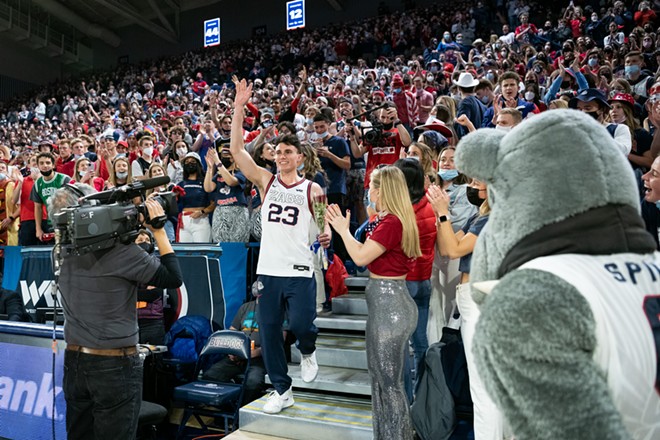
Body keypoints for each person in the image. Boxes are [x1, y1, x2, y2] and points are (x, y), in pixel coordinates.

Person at [229, 78, 331, 414]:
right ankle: (282, 390)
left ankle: (309, 349)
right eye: (278, 151)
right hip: (268, 271)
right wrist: (240, 107)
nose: (282, 155)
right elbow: (237, 152)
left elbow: (321, 222)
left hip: (299, 268)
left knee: (302, 325)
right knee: (269, 333)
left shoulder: (312, 189)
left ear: (300, 157)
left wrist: (326, 233)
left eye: (288, 151)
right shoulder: (265, 180)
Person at [51, 183, 183, 440]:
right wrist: (158, 231)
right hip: (114, 364)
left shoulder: (63, 251)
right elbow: (173, 277)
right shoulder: (125, 255)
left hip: (74, 362)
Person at [326, 165, 421, 440]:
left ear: (382, 190)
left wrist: (343, 231)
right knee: (381, 381)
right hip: (385, 304)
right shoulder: (388, 219)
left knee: (389, 384)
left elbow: (359, 258)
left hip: (390, 306)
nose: (369, 191)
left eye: (372, 186)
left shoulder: (393, 223)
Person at [427, 178, 505, 440]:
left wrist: (442, 212)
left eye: (476, 180)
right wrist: (440, 216)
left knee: (483, 388)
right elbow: (445, 246)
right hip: (478, 300)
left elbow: (453, 248)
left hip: (481, 300)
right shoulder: (481, 216)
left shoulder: (492, 218)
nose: (471, 185)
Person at [393, 158, 437, 393]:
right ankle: (421, 397)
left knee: (399, 347)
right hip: (423, 282)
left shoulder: (403, 214)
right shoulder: (430, 205)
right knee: (420, 344)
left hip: (405, 283)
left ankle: (405, 401)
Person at [203, 299, 266, 404]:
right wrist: (233, 350)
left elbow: (279, 342)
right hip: (238, 356)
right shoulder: (245, 307)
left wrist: (256, 352)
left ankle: (241, 413)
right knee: (211, 375)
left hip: (260, 359)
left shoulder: (278, 308)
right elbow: (232, 332)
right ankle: (231, 409)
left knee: (253, 383)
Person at [204, 147, 249, 243]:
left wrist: (218, 163)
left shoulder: (241, 172)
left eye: (228, 155)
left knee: (238, 244)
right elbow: (208, 188)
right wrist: (210, 168)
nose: (225, 157)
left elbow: (231, 182)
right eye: (223, 155)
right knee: (221, 245)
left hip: (237, 211)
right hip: (220, 211)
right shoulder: (218, 174)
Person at [30, 152, 71, 243]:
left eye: (48, 163)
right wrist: (38, 229)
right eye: (41, 163)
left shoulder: (64, 179)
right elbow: (38, 208)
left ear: (53, 165)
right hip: (51, 223)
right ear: (38, 166)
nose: (45, 165)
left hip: (68, 221)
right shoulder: (37, 184)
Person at [177, 152, 213, 242]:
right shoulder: (180, 184)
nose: (190, 164)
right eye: (187, 162)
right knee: (185, 252)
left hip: (201, 220)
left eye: (193, 161)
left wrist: (202, 212)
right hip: (184, 221)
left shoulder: (206, 182)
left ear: (198, 164)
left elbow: (214, 203)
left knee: (201, 251)